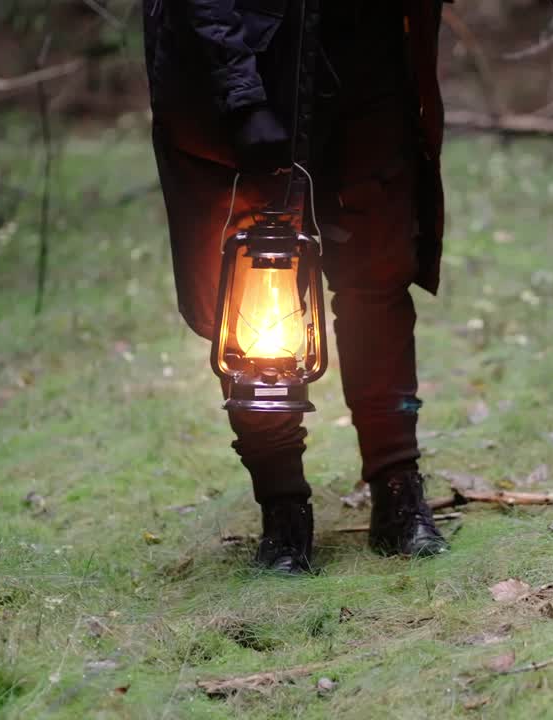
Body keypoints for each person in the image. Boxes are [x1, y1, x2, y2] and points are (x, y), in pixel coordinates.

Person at [143, 0, 450, 573]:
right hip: (249, 65)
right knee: (254, 282)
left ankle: (398, 489)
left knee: (377, 277)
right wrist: (240, 94)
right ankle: (283, 510)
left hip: (370, 57)